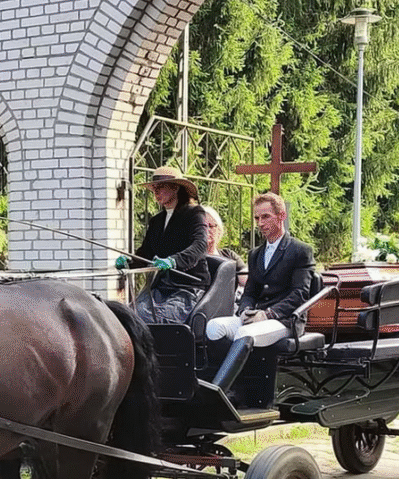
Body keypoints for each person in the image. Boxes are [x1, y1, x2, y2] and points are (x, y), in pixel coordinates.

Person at [204, 193, 315, 388]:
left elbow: (300, 294)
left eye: (266, 217)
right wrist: (245, 310)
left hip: (286, 321)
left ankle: (225, 388)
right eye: (257, 218)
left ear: (281, 216)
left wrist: (268, 314)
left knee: (245, 332)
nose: (260, 223)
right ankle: (233, 383)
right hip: (256, 318)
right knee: (214, 327)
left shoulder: (300, 250)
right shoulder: (255, 254)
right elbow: (250, 292)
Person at [115, 166, 209, 325]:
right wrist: (129, 263)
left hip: (187, 288)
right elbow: (146, 253)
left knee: (153, 320)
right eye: (154, 188)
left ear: (175, 188)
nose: (155, 192)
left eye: (160, 187)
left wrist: (174, 261)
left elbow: (200, 245)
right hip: (161, 287)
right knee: (128, 317)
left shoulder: (194, 213)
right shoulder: (156, 221)